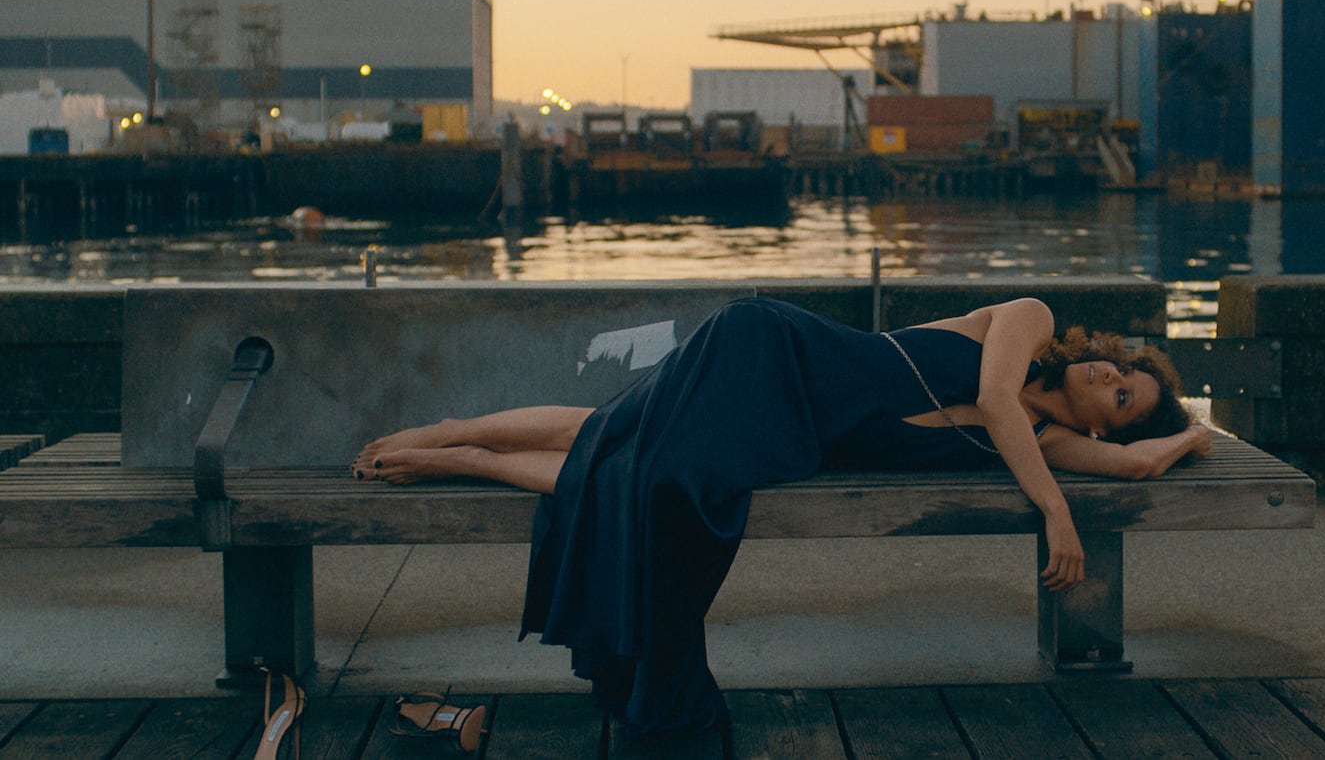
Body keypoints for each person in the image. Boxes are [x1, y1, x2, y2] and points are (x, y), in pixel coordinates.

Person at [353, 296, 1210, 736]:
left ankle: (467, 458)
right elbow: (990, 395)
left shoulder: (1053, 440)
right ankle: (456, 434)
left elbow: (1138, 461)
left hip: (799, 437)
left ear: (1101, 423)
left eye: (1124, 397)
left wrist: (1191, 433)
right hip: (775, 352)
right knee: (639, 456)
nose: (1108, 377)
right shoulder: (1028, 323)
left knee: (634, 463)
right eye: (1117, 369)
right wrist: (1056, 516)